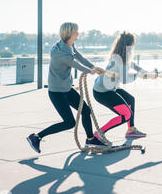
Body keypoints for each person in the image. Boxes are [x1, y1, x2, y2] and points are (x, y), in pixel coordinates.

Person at [26, 22, 105, 153]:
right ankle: (36, 137)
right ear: (70, 34)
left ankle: (90, 139)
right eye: (76, 32)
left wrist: (93, 67)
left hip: (67, 89)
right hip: (56, 92)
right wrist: (91, 71)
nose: (78, 34)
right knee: (69, 122)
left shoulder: (69, 45)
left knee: (86, 110)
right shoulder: (60, 53)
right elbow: (76, 65)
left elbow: (80, 57)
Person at [92, 31, 150, 145]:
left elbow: (132, 64)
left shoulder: (121, 56)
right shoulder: (119, 59)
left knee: (130, 100)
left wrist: (144, 72)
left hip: (110, 88)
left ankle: (131, 130)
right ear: (129, 45)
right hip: (102, 92)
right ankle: (99, 133)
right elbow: (124, 80)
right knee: (126, 114)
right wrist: (137, 75)